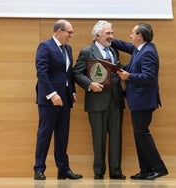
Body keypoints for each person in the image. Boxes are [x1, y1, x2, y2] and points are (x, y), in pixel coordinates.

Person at [111, 23, 168, 180]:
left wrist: (128, 76)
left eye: (132, 33)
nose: (130, 36)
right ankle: (145, 170)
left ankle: (159, 168)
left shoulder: (148, 52)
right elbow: (124, 45)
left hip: (144, 101)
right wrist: (109, 39)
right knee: (139, 135)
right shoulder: (140, 49)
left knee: (142, 133)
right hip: (138, 100)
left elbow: (149, 77)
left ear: (139, 36)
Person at [72, 20, 126, 180]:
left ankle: (116, 172)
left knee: (116, 138)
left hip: (116, 100)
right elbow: (76, 73)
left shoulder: (114, 51)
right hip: (96, 102)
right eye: (108, 33)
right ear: (98, 35)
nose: (111, 36)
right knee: (98, 139)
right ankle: (99, 172)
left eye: (112, 33)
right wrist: (90, 84)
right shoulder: (87, 51)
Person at [34, 19, 83, 180]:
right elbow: (42, 73)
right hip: (49, 100)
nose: (71, 35)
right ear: (59, 31)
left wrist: (72, 92)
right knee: (45, 134)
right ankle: (39, 169)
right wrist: (52, 94)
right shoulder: (45, 46)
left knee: (62, 135)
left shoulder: (67, 49)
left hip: (65, 99)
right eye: (69, 32)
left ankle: (63, 169)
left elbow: (68, 74)